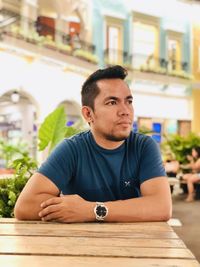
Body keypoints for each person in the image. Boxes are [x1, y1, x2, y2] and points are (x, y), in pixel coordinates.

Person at [14, 65, 172, 222]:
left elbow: (161, 206)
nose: (125, 110)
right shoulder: (72, 149)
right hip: (82, 243)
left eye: (128, 101)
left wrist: (92, 210)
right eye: (112, 102)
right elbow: (25, 206)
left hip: (138, 243)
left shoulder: (143, 147)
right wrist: (66, 207)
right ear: (88, 114)